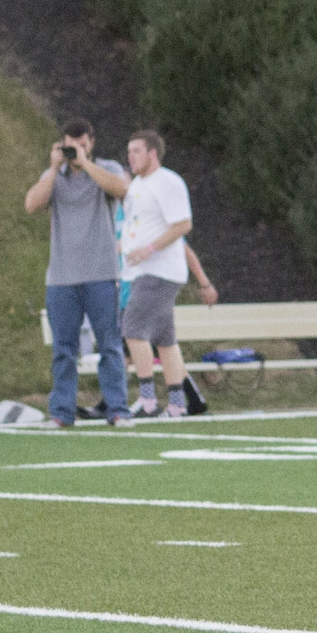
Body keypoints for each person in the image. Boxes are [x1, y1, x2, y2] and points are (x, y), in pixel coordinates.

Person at [24, 119, 130, 428]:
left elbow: (121, 188)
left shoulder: (106, 167)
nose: (76, 149)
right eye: (72, 144)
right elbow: (32, 204)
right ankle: (61, 412)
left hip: (101, 273)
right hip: (61, 277)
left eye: (82, 144)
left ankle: (118, 409)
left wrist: (85, 163)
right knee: (64, 350)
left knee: (109, 345)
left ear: (92, 143)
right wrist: (56, 167)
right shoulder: (54, 175)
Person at [118, 130, 199, 420]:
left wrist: (149, 249)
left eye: (137, 151)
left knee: (132, 328)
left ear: (153, 153)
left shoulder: (168, 181)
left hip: (159, 269)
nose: (131, 157)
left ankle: (148, 400)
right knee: (165, 338)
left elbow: (183, 224)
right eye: (129, 151)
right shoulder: (138, 184)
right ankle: (177, 404)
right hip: (141, 270)